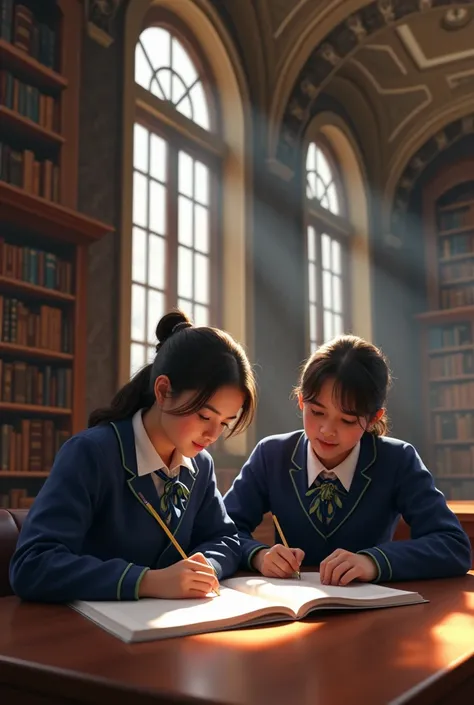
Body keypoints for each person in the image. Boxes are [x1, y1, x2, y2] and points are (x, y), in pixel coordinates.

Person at [10, 310, 256, 602]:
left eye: (225, 423)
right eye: (204, 415)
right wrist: (146, 581)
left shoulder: (200, 465)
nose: (213, 435)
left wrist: (204, 567)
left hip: (171, 629)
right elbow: (32, 564)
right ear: (163, 391)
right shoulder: (91, 453)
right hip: (88, 631)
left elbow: (225, 539)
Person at [224, 335, 472, 585]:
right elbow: (222, 532)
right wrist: (258, 555)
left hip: (373, 611)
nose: (327, 431)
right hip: (292, 608)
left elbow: (453, 545)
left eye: (348, 420)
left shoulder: (398, 460)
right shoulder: (272, 455)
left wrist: (373, 562)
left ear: (374, 418)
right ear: (301, 401)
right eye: (317, 412)